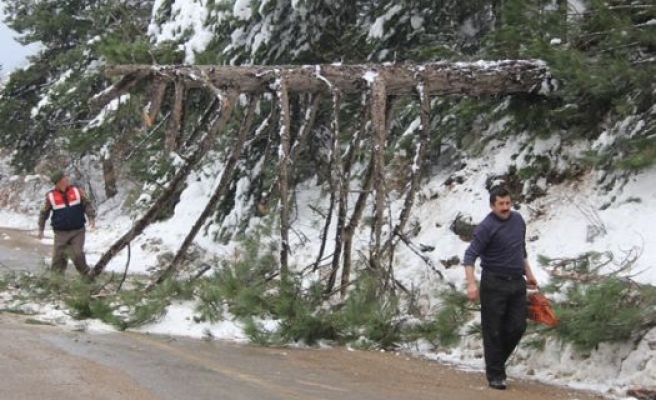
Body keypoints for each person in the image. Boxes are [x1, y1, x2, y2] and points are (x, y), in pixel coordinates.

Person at [462, 186, 537, 390]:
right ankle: (495, 374)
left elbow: (520, 249)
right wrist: (471, 283)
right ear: (492, 206)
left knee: (518, 326)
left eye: (508, 203)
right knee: (493, 330)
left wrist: (528, 273)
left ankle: (494, 363)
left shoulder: (518, 220)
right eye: (501, 204)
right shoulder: (486, 227)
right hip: (494, 282)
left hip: (517, 282)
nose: (505, 207)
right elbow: (469, 257)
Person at [38, 170, 96, 277]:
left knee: (77, 254)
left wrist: (91, 217)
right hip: (60, 233)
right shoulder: (50, 196)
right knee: (58, 258)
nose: (67, 178)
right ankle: (56, 283)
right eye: (65, 177)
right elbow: (43, 213)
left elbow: (87, 205)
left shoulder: (77, 191)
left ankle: (87, 278)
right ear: (59, 181)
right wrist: (41, 229)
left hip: (77, 231)